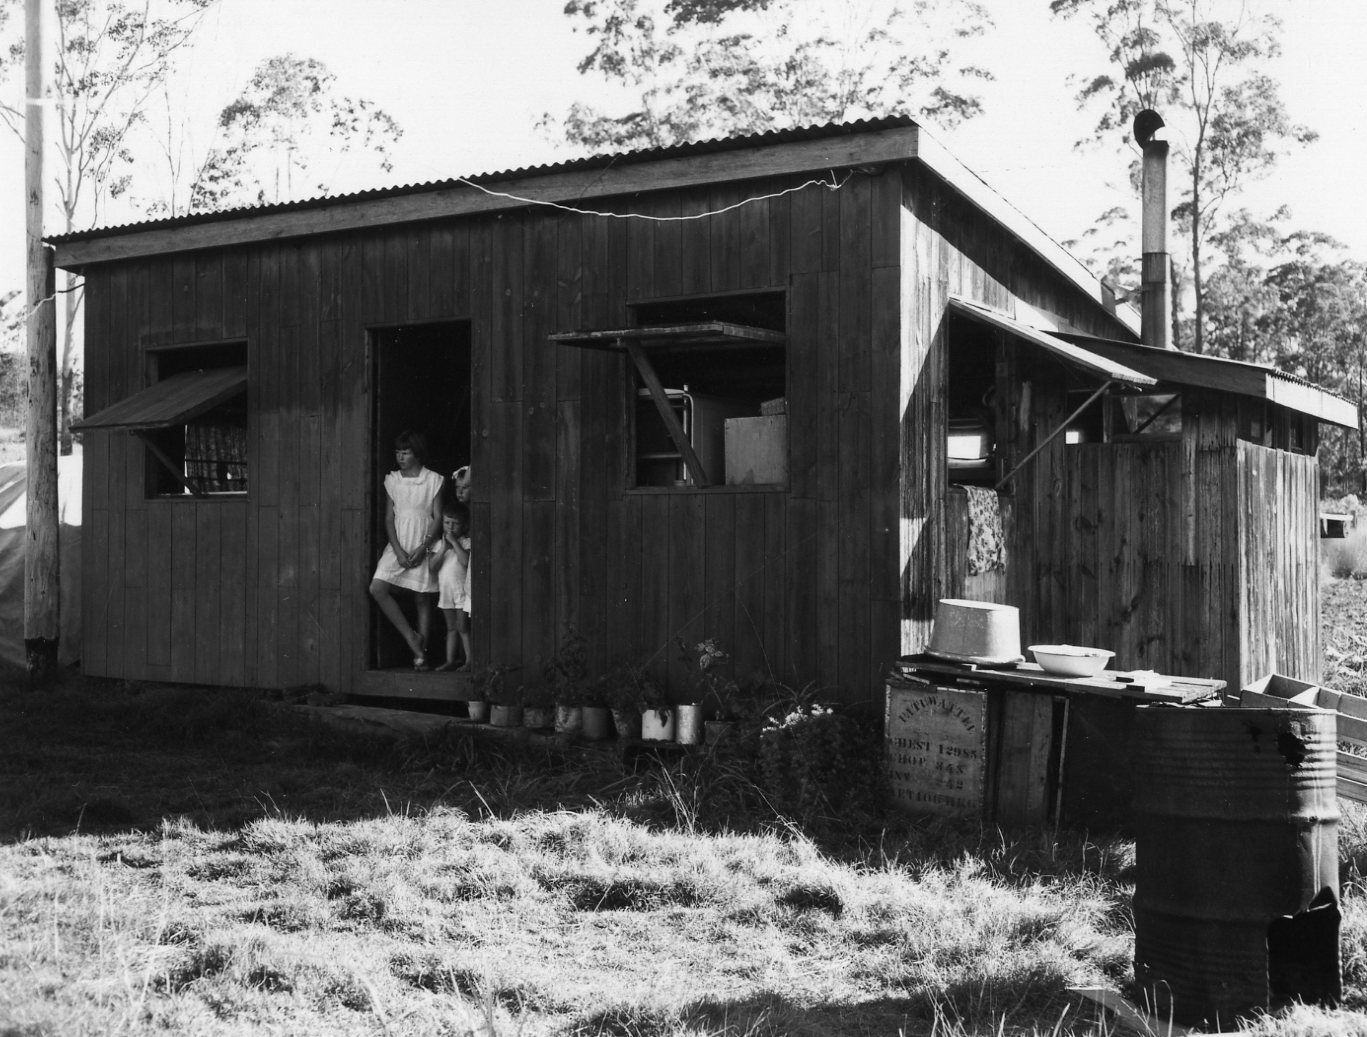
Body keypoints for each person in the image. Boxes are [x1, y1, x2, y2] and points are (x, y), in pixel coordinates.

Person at [369, 431, 444, 670]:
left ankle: (421, 657)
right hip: (399, 543)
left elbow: (438, 516)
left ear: (417, 453)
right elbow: (389, 518)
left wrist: (424, 547)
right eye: (398, 452)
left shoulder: (433, 480)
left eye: (406, 452)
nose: (400, 457)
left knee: (422, 596)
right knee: (378, 587)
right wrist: (399, 551)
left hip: (424, 540)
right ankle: (412, 638)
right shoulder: (392, 480)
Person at [428, 500, 471, 671]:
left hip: (461, 592)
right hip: (446, 594)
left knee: (463, 627)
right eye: (447, 523)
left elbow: (466, 562)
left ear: (464, 526)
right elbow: (432, 567)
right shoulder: (439, 545)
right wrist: (443, 549)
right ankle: (450, 660)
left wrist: (454, 543)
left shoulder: (466, 543)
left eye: (455, 524)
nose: (450, 528)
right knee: (451, 628)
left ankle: (469, 661)